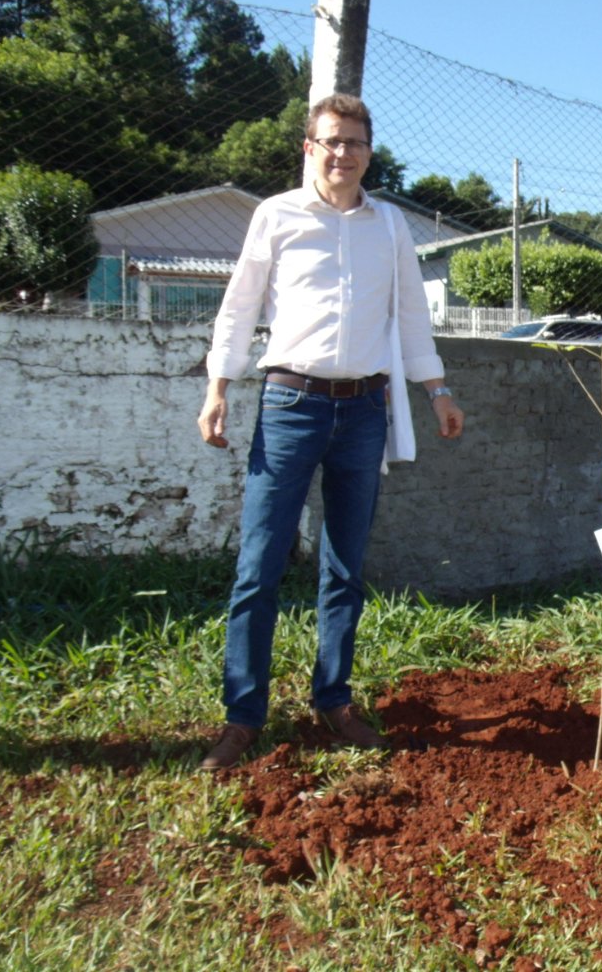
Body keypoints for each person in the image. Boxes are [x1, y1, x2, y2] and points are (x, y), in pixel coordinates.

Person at [196, 93, 463, 771]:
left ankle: (334, 700)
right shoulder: (276, 215)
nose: (342, 153)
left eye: (355, 143)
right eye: (331, 141)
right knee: (259, 565)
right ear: (309, 148)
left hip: (363, 411)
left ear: (369, 152)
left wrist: (437, 391)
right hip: (290, 404)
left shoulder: (390, 225)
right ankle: (242, 715)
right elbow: (239, 305)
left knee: (345, 565)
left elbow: (410, 314)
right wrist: (218, 386)